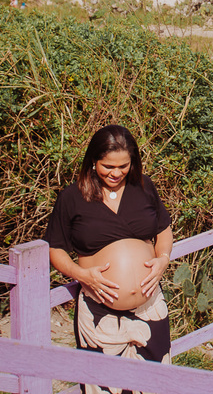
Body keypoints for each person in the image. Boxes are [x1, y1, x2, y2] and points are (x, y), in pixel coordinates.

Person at [44, 126, 174, 391]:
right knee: (102, 387)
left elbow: (163, 229)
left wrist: (163, 259)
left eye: (123, 166)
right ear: (93, 161)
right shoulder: (72, 197)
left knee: (154, 385)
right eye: (108, 166)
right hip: (99, 310)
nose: (116, 173)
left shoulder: (144, 187)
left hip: (150, 306)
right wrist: (80, 275)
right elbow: (54, 248)